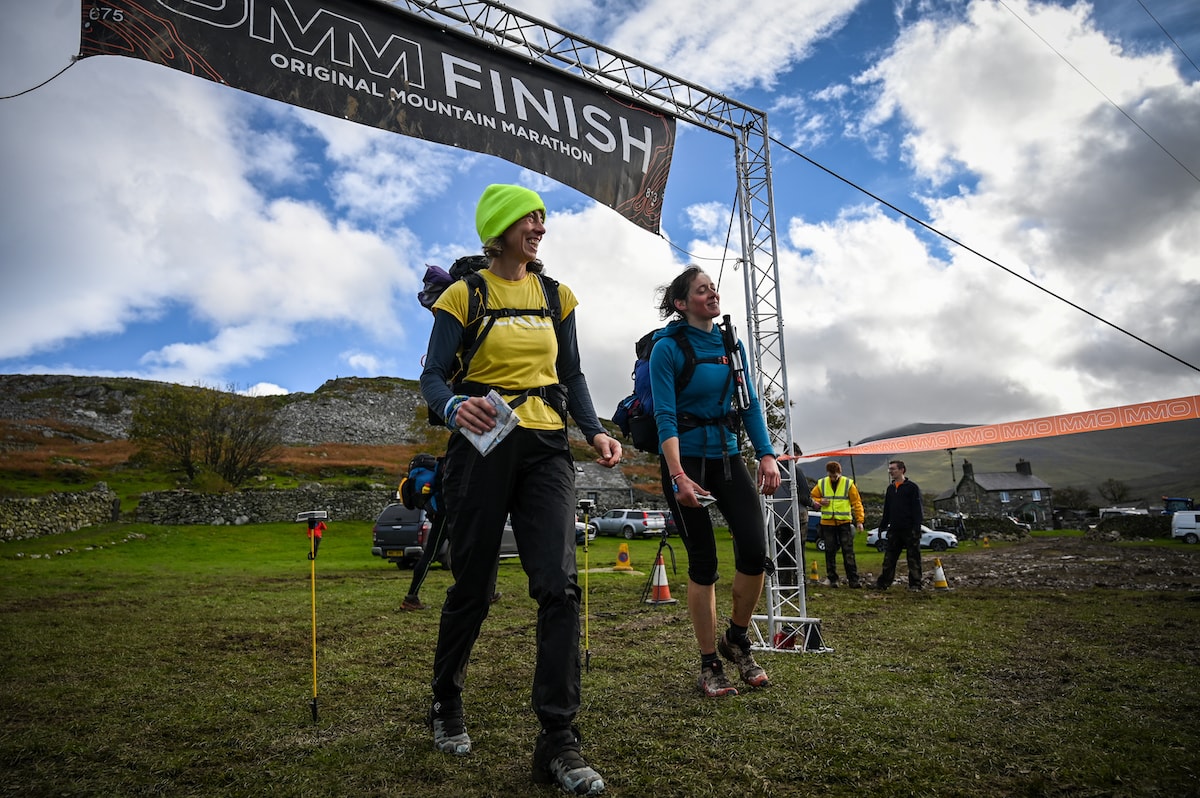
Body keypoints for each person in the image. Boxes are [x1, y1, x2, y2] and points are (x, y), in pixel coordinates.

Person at [419, 183, 621, 796]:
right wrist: (453, 405)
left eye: (541, 218)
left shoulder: (557, 296)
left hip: (546, 448)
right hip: (480, 449)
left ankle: (558, 741)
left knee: (558, 586)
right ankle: (445, 700)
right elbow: (430, 376)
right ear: (500, 227)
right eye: (528, 218)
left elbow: (573, 372)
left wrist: (594, 430)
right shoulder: (464, 294)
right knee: (473, 586)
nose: (539, 226)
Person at [649, 266, 780, 698]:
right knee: (703, 563)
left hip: (727, 457)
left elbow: (749, 404)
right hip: (685, 464)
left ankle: (737, 639)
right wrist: (679, 476)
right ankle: (709, 664)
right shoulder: (666, 349)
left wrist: (765, 455)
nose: (712, 293)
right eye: (701, 290)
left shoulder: (730, 343)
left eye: (713, 288)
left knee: (756, 550)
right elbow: (664, 416)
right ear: (682, 303)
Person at [768, 445, 818, 587]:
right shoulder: (796, 471)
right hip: (797, 517)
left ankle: (783, 585)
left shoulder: (774, 469)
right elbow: (803, 496)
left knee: (782, 551)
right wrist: (813, 504)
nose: (797, 460)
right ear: (793, 454)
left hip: (779, 517)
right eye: (797, 457)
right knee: (798, 551)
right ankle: (800, 584)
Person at [810, 460, 865, 588]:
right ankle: (832, 579)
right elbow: (811, 497)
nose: (833, 478)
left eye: (835, 476)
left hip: (844, 523)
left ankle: (853, 580)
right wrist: (820, 501)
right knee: (829, 552)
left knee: (848, 551)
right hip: (827, 523)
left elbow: (857, 503)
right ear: (827, 473)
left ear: (840, 473)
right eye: (831, 475)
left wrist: (860, 521)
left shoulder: (848, 484)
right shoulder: (822, 483)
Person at [875, 459, 924, 591]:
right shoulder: (890, 489)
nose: (890, 472)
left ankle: (915, 584)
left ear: (902, 470)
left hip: (909, 528)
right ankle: (883, 583)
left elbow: (917, 509)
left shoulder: (912, 488)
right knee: (889, 558)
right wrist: (883, 526)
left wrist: (916, 528)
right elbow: (887, 509)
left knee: (913, 558)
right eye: (889, 469)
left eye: (893, 469)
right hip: (894, 529)